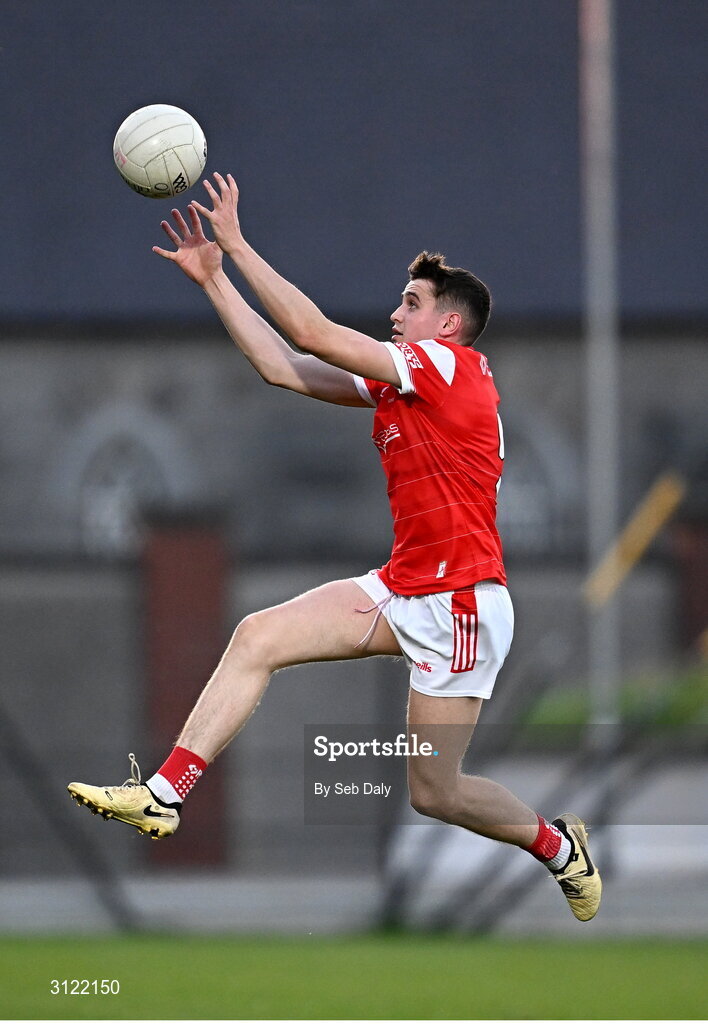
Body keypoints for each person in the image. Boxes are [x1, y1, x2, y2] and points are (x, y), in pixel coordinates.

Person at [68, 173, 601, 921]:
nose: (394, 312)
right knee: (258, 635)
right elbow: (282, 367)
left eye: (410, 304)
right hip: (404, 586)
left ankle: (557, 846)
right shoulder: (400, 383)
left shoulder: (452, 369)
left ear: (448, 326)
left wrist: (238, 245)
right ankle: (164, 795)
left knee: (435, 793)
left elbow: (311, 331)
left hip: (461, 605)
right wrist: (216, 281)